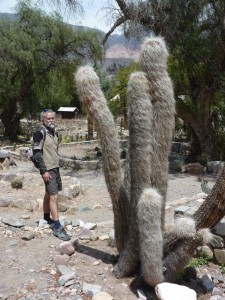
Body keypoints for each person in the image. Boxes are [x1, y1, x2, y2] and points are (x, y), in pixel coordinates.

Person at [32, 109, 70, 241]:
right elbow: (37, 154)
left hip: (55, 168)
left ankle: (46, 217)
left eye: (52, 118)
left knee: (48, 193)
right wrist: (44, 171)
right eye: (48, 118)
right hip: (48, 169)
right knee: (54, 197)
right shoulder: (39, 133)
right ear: (43, 120)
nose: (51, 120)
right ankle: (57, 227)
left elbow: (53, 150)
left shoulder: (55, 133)